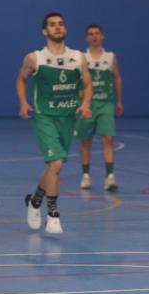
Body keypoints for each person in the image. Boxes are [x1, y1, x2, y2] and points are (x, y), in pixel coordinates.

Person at [16, 12, 92, 234]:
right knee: (57, 163)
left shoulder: (78, 57)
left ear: (65, 29)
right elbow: (20, 79)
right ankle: (53, 214)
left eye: (60, 24)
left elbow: (87, 84)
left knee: (53, 166)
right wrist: (23, 103)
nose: (57, 27)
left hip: (68, 118)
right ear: (44, 31)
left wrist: (86, 103)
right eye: (52, 25)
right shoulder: (35, 58)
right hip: (45, 117)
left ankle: (34, 201)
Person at [77, 24, 124, 191]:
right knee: (86, 140)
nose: (94, 36)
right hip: (88, 105)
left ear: (102, 36)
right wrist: (79, 91)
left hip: (106, 103)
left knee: (108, 138)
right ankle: (85, 176)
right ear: (86, 38)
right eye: (90, 34)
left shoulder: (110, 57)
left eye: (97, 33)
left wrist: (119, 101)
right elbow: (75, 79)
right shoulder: (82, 57)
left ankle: (110, 176)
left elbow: (117, 78)